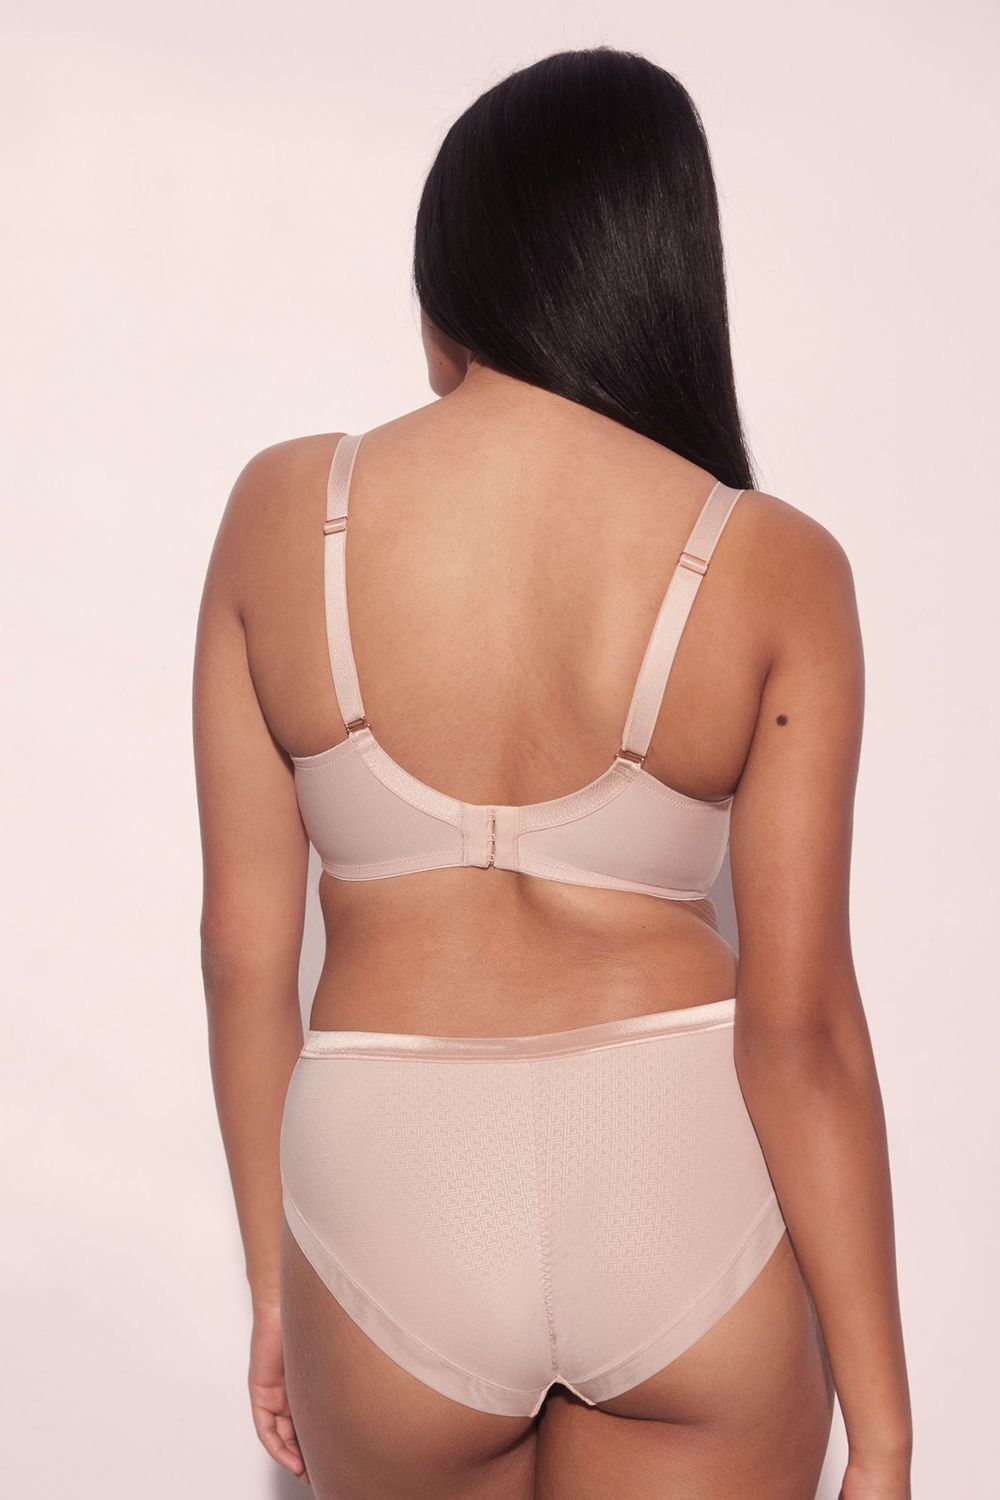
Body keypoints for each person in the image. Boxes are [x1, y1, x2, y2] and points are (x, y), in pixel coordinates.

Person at [193, 45, 912, 1500]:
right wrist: (884, 1434)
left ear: (453, 273)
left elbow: (241, 962)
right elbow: (803, 1030)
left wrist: (277, 1285)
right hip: (680, 1181)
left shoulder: (282, 512)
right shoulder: (773, 563)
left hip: (390, 1187)